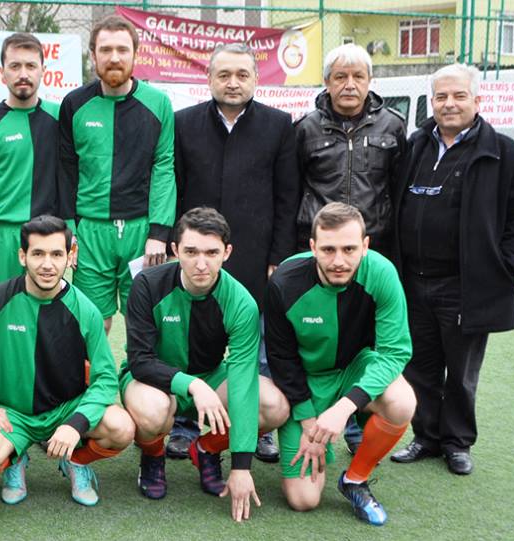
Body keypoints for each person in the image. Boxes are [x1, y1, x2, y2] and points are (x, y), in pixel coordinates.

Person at [390, 64, 514, 475]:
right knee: (419, 367)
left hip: (465, 285)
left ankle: (457, 442)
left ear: (477, 100)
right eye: (441, 97)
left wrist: (504, 267)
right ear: (432, 102)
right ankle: (426, 436)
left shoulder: (506, 155)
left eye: (458, 96)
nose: (449, 104)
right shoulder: (415, 146)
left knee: (461, 372)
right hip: (413, 282)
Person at [173, 42, 300, 463]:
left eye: (242, 75)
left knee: (261, 344)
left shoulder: (279, 125)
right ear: (209, 78)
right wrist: (178, 249)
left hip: (257, 255)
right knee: (192, 342)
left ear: (256, 79)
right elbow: (174, 189)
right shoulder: (183, 123)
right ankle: (184, 424)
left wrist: (279, 257)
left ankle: (258, 427)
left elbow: (287, 197)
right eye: (224, 74)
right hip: (198, 257)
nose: (232, 83)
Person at [122, 207, 289, 522]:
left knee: (274, 406)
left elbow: (243, 382)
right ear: (175, 251)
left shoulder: (241, 302)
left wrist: (241, 467)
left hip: (212, 377)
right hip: (153, 381)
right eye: (191, 252)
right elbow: (140, 361)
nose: (201, 264)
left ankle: (207, 449)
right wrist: (192, 385)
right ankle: (153, 455)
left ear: (227, 252)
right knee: (153, 410)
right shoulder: (147, 284)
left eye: (211, 253)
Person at [0, 215, 134, 507]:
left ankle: (76, 461)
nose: (47, 264)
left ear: (70, 255)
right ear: (23, 256)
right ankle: (15, 456)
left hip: (66, 410)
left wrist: (75, 424)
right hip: (10, 414)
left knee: (122, 427)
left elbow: (106, 378)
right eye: (38, 254)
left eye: (56, 254)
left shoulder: (86, 310)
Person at [265, 202, 416, 526]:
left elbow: (394, 352)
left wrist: (344, 408)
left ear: (365, 245)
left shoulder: (382, 273)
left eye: (349, 249)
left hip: (353, 370)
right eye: (328, 249)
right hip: (306, 382)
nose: (338, 261)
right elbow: (282, 360)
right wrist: (311, 425)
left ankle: (355, 479)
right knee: (303, 500)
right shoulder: (285, 282)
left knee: (402, 401)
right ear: (312, 247)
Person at [294, 43, 406, 452]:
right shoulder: (306, 128)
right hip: (322, 256)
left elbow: (398, 191)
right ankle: (302, 412)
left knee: (369, 339)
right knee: (319, 336)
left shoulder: (393, 126)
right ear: (326, 82)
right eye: (340, 76)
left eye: (358, 76)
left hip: (371, 252)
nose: (349, 84)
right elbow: (293, 190)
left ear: (370, 81)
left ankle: (359, 419)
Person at [59, 14, 176, 333]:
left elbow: (164, 167)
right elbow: (66, 170)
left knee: (146, 324)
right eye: (106, 49)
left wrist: (159, 233)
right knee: (93, 323)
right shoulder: (74, 104)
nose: (114, 57)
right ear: (93, 55)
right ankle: (95, 371)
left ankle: (139, 370)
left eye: (122, 49)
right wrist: (69, 230)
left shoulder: (158, 103)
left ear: (136, 54)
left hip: (141, 231)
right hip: (91, 232)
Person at [0, 33, 59, 296]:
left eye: (31, 66)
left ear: (43, 70)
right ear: (2, 72)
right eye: (15, 66)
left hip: (46, 235)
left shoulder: (60, 118)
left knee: (44, 314)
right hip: (0, 238)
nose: (23, 74)